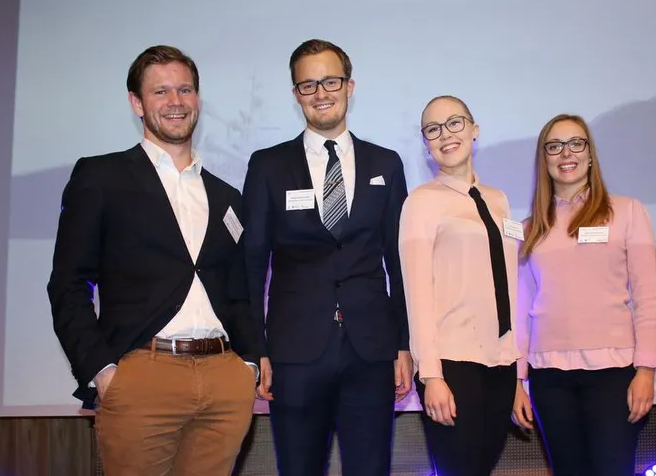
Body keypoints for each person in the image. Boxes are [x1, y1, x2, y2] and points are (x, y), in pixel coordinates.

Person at [47, 45, 260, 476]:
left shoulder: (226, 196)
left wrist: (248, 366)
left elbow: (239, 290)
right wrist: (102, 371)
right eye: (160, 91)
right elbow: (68, 283)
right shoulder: (100, 177)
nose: (175, 102)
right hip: (142, 375)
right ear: (136, 102)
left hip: (224, 381)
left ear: (198, 99)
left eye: (184, 89)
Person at [239, 38, 411, 476]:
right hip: (294, 352)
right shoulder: (267, 166)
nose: (321, 92)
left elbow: (398, 261)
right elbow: (252, 263)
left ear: (350, 86)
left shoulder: (386, 164)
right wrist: (255, 349)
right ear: (296, 94)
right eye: (308, 84)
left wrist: (404, 344)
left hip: (371, 350)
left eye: (330, 80)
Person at [510, 114, 656, 476]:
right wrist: (518, 379)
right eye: (555, 146)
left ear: (590, 154)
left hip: (613, 375)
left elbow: (649, 297)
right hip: (549, 378)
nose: (566, 153)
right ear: (544, 159)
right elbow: (521, 310)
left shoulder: (627, 212)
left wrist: (646, 370)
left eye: (576, 143)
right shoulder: (531, 228)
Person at [399, 95, 520, 476]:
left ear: (474, 129)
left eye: (454, 123)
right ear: (426, 142)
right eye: (432, 129)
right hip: (452, 363)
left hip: (501, 362)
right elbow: (416, 295)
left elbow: (510, 287)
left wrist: (519, 372)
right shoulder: (420, 202)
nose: (445, 135)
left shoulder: (498, 200)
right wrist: (431, 375)